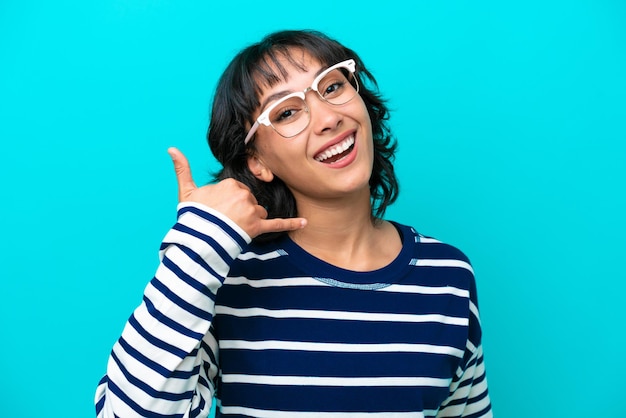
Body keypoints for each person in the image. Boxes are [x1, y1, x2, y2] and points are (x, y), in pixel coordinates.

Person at [95, 29, 492, 418]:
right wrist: (199, 246)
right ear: (257, 162)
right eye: (286, 112)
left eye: (332, 87)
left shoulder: (448, 275)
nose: (327, 118)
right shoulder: (230, 279)